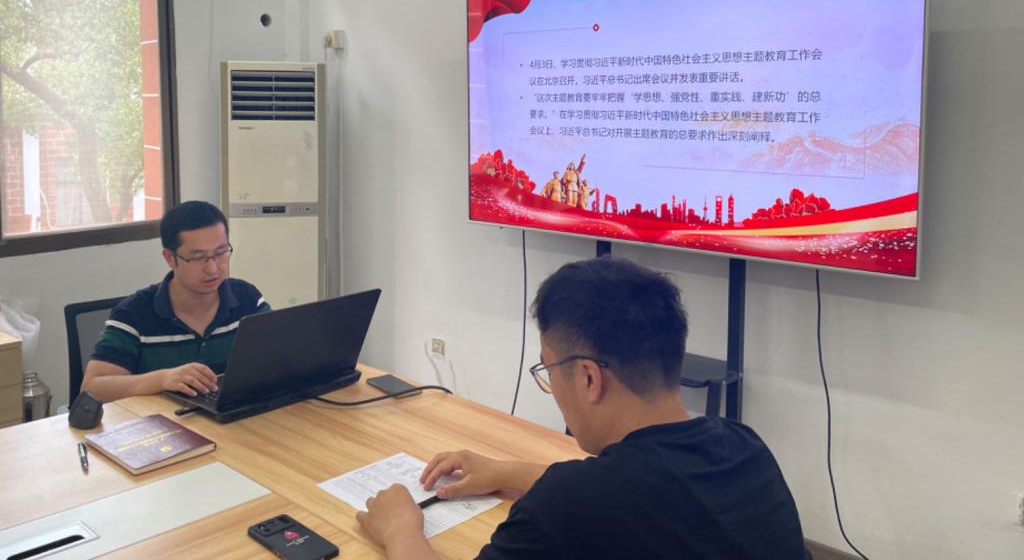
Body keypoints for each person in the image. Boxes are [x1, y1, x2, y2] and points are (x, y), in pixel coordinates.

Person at [356, 257, 810, 559]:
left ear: (590, 378)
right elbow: (635, 494)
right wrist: (506, 471)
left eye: (549, 370)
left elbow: (592, 496)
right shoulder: (744, 447)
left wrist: (401, 530)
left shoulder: (568, 507)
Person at [81, 201, 269, 402]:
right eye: (198, 258)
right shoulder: (133, 314)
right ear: (170, 258)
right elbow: (92, 389)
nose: (213, 268)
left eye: (220, 253)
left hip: (230, 415)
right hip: (162, 420)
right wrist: (162, 379)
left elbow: (279, 357)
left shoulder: (247, 299)